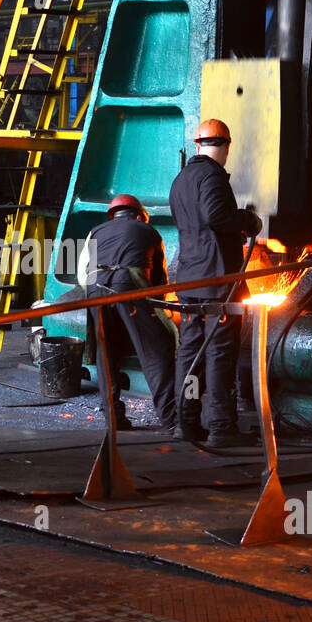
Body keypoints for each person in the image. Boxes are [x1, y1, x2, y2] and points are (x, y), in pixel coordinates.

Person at [169, 118, 262, 448]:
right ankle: (222, 427)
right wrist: (247, 220)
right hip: (218, 280)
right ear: (225, 146)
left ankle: (187, 421)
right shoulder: (212, 175)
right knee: (220, 353)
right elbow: (214, 217)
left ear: (197, 144)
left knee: (190, 354)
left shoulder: (181, 179)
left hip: (190, 281)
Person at [79, 194, 178, 432]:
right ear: (139, 214)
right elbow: (158, 283)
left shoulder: (95, 231)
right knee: (156, 351)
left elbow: (83, 274)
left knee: (107, 354)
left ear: (114, 214)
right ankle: (172, 419)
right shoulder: (148, 231)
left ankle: (113, 418)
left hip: (95, 288)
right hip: (129, 283)